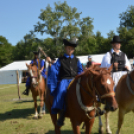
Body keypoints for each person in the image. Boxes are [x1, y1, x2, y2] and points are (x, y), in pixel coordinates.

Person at [46, 38, 83, 126]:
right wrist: (50, 63)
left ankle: (92, 109)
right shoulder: (60, 60)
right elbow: (55, 69)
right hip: (65, 80)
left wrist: (81, 78)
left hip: (75, 80)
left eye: (72, 48)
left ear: (73, 50)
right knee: (61, 92)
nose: (70, 50)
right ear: (65, 48)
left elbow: (80, 71)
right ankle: (61, 114)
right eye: (68, 48)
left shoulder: (77, 60)